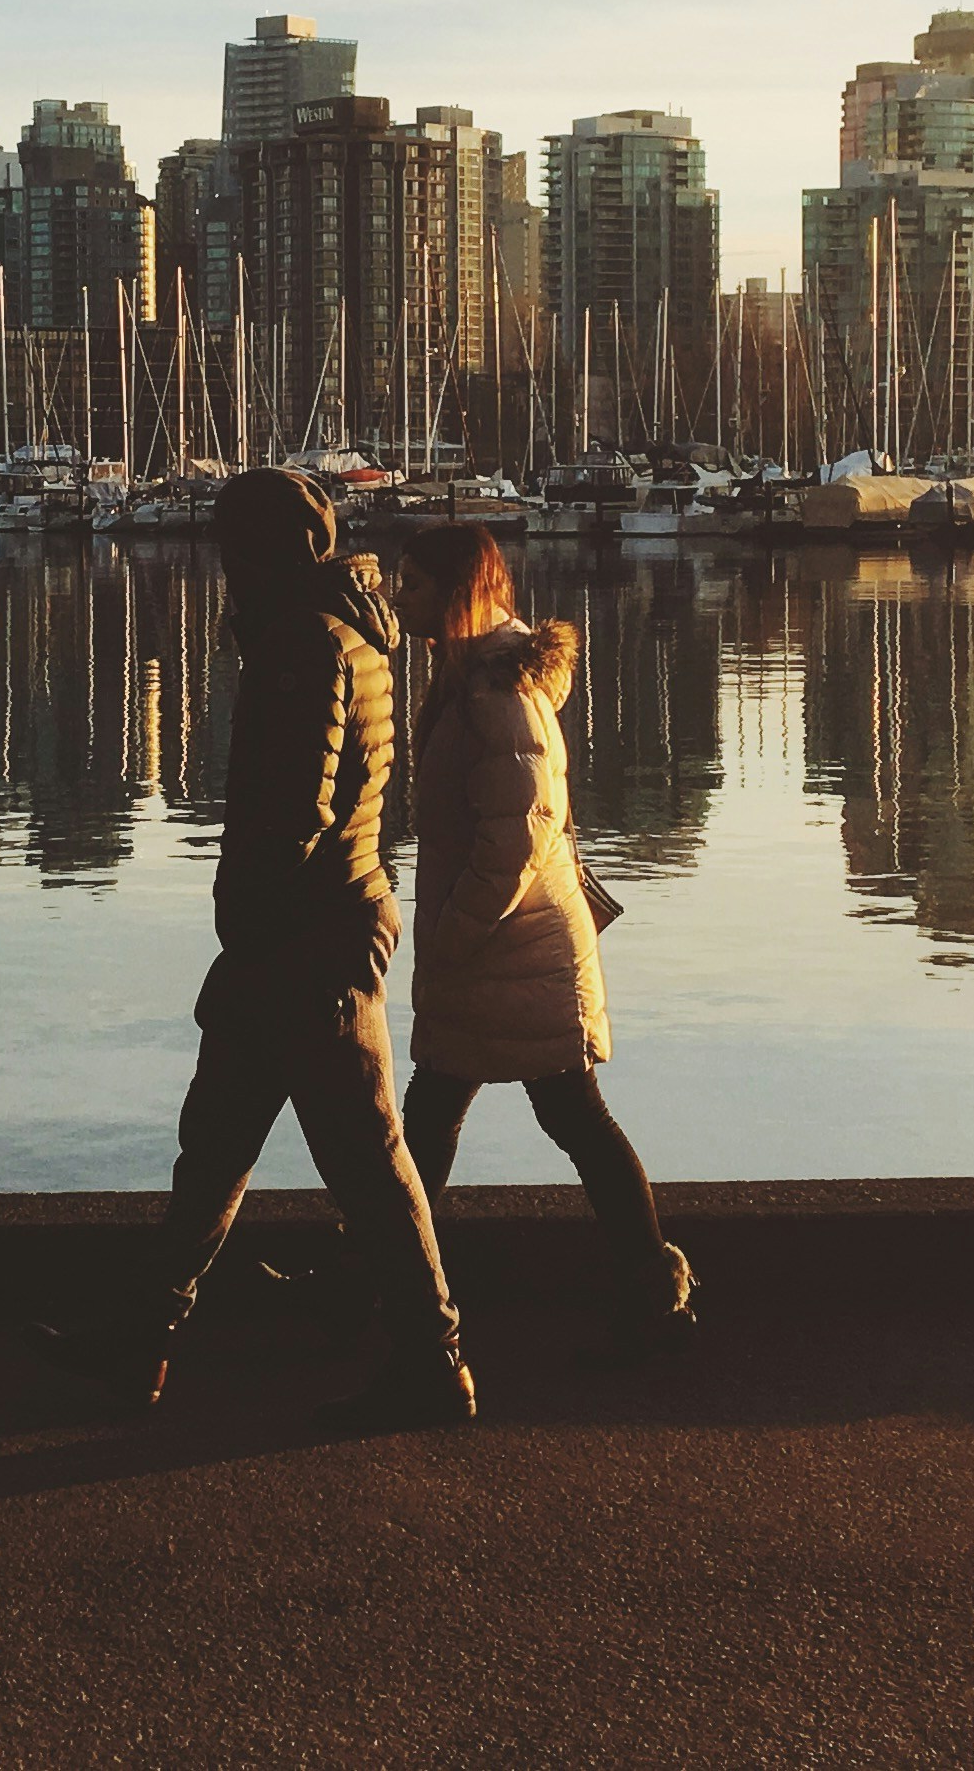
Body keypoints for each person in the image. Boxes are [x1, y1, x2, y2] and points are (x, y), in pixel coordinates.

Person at [40, 466, 473, 1429]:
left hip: (302, 938)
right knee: (218, 1145)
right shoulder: (356, 634)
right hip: (327, 919)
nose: (224, 570)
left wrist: (246, 922)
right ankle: (144, 1336)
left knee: (365, 1157)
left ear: (261, 554)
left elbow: (292, 810)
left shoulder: (302, 645)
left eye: (232, 552)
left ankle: (435, 1360)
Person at [391, 523, 694, 1359]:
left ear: (455, 593)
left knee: (557, 1111)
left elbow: (520, 834)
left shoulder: (496, 692)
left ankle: (651, 1277)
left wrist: (453, 932)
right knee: (450, 1113)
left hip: (511, 946)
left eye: (412, 582)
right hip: (508, 944)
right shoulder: (471, 677)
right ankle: (646, 1277)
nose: (397, 596)